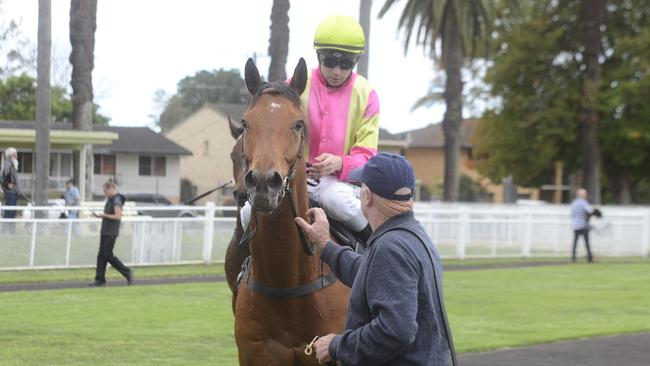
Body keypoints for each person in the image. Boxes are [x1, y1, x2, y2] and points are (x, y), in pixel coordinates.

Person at [296, 153, 453, 365]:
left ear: (367, 195)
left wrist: (336, 346)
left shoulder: (391, 246)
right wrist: (325, 244)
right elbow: (370, 274)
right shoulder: (411, 234)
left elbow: (395, 331)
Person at [242, 15, 380, 242]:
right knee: (247, 213)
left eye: (345, 64)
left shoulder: (367, 95)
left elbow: (367, 155)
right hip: (295, 177)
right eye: (329, 62)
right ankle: (244, 270)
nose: (336, 71)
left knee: (337, 200)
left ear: (355, 62)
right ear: (319, 57)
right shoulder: (292, 88)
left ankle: (376, 250)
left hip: (339, 182)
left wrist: (340, 163)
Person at [89, 181, 133, 286]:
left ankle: (127, 272)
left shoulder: (117, 200)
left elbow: (118, 216)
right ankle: (100, 279)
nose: (105, 193)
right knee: (101, 256)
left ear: (111, 188)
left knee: (108, 255)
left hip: (111, 232)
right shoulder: (110, 200)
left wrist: (104, 215)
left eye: (105, 191)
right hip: (105, 231)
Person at [570, 188, 595, 263]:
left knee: (575, 242)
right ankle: (589, 257)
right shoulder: (583, 202)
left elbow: (572, 214)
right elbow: (590, 211)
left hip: (575, 225)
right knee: (586, 242)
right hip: (583, 225)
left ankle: (573, 257)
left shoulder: (573, 203)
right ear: (581, 195)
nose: (586, 195)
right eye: (585, 194)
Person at [1, 147, 21, 233]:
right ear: (11, 155)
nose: (16, 155)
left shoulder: (13, 164)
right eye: (15, 154)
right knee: (9, 211)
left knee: (12, 212)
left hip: (14, 191)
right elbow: (5, 175)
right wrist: (8, 185)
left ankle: (11, 231)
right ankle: (4, 231)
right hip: (10, 192)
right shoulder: (8, 163)